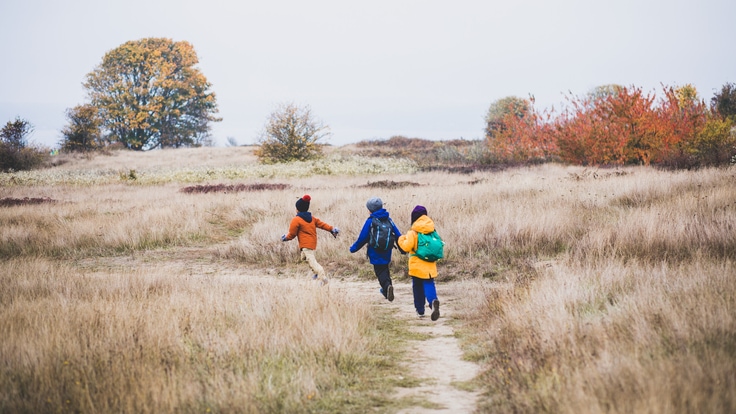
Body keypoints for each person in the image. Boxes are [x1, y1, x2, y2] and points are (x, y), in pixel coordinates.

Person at [349, 197, 403, 301]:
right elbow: (398, 235)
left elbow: (362, 238)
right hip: (387, 251)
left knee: (380, 272)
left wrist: (353, 248)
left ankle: (387, 288)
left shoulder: (370, 221)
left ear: (370, 210)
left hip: (375, 251)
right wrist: (403, 249)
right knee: (385, 269)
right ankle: (387, 289)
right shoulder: (388, 220)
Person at [281, 194, 339, 285]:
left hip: (306, 244)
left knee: (312, 261)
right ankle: (316, 273)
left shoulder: (296, 220)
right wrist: (331, 228)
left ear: (298, 209)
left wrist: (286, 238)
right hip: (311, 243)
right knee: (304, 257)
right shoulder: (312, 219)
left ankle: (322, 276)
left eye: (296, 208)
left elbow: (292, 234)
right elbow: (322, 225)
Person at [398, 205, 441, 320]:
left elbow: (406, 247)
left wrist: (400, 239)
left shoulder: (413, 232)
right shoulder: (432, 230)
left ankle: (420, 310)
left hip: (417, 266)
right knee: (429, 283)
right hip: (430, 264)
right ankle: (433, 303)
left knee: (417, 287)